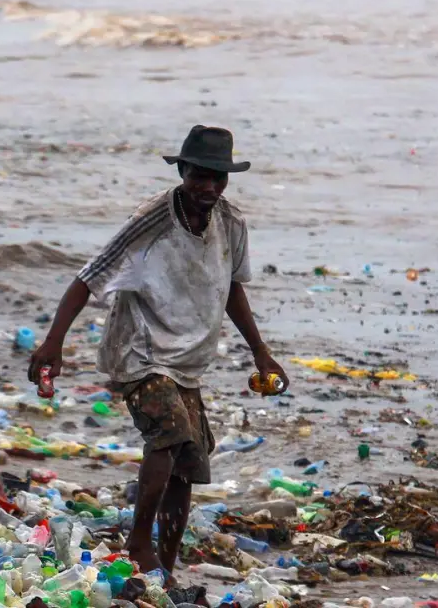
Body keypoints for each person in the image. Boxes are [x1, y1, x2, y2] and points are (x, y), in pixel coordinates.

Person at [27, 124, 286, 590]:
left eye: (218, 178)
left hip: (187, 359)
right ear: (183, 171)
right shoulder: (154, 219)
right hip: (140, 349)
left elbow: (232, 289)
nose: (208, 187)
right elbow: (89, 277)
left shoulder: (232, 224)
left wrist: (261, 353)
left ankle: (163, 565)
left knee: (189, 461)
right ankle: (139, 543)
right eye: (200, 176)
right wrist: (53, 344)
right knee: (168, 436)